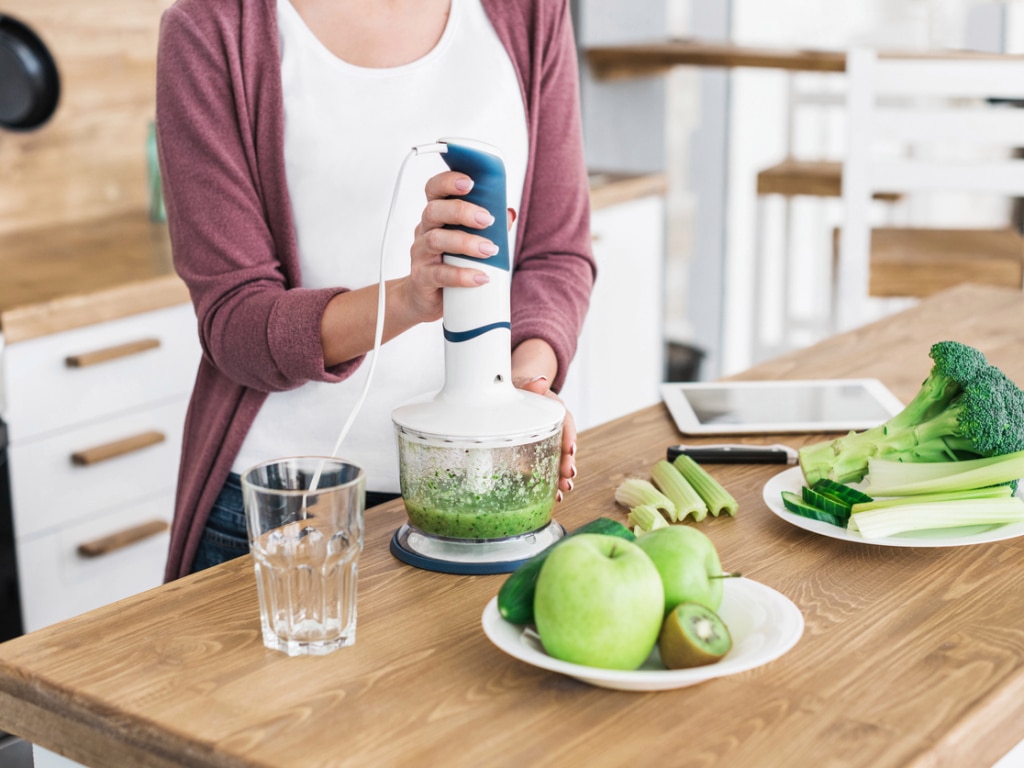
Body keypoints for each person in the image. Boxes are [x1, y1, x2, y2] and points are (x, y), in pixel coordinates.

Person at [155, 0, 595, 580]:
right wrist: (409, 298)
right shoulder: (212, 29)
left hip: (484, 490)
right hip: (287, 511)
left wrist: (521, 389)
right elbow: (233, 321)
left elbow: (555, 253)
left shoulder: (529, 12)